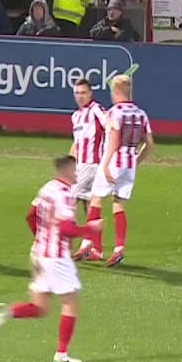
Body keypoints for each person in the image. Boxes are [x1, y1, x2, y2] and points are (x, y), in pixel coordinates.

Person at [0, 156, 102, 362]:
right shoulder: (65, 195)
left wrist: (40, 236)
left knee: (40, 307)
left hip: (38, 252)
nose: (77, 174)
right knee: (70, 304)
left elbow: (30, 215)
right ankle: (61, 353)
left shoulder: (46, 188)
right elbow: (66, 229)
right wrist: (90, 228)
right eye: (75, 170)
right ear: (66, 171)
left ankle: (6, 312)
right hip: (56, 258)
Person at [79, 75, 153, 268]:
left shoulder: (114, 112)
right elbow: (150, 144)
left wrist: (105, 164)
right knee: (118, 205)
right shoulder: (141, 113)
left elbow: (114, 139)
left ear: (116, 92)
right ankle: (119, 247)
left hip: (113, 160)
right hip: (129, 164)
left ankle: (95, 248)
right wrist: (137, 161)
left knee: (95, 200)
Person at [69, 80, 108, 253]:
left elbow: (110, 127)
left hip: (92, 164)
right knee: (89, 205)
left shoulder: (96, 110)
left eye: (83, 92)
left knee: (68, 200)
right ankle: (96, 248)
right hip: (81, 165)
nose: (80, 96)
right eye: (77, 93)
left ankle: (79, 243)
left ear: (90, 93)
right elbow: (76, 144)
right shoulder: (76, 116)